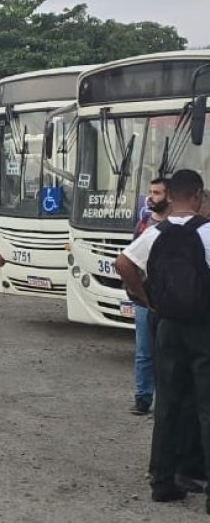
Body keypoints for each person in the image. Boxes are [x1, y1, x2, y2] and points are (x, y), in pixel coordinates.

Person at [116, 169, 210, 505]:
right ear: (198, 195)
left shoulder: (156, 233)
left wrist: (145, 297)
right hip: (204, 326)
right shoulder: (208, 232)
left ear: (170, 196)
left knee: (167, 403)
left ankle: (162, 482)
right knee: (206, 404)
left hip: (167, 325)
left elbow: (123, 262)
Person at [129, 178, 168, 416]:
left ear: (170, 196)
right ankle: (143, 398)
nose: (151, 197)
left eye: (157, 193)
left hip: (169, 299)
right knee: (144, 351)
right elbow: (129, 259)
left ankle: (166, 401)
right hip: (145, 298)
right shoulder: (144, 223)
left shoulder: (176, 225)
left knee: (168, 351)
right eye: (150, 192)